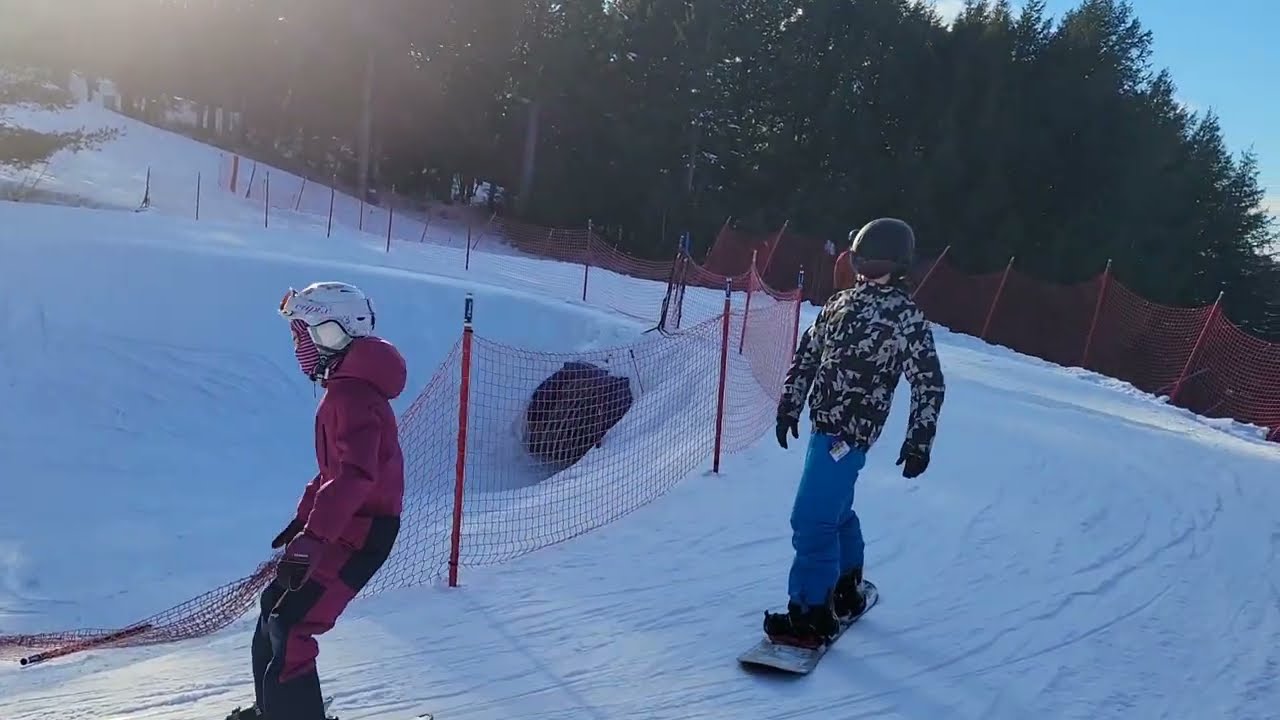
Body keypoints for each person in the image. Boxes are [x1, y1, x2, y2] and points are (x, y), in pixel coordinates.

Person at [763, 218, 946, 647]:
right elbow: (809, 353)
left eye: (873, 259)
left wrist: (919, 440)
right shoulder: (841, 302)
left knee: (811, 519)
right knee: (835, 510)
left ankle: (810, 614)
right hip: (824, 424)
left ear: (896, 263)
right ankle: (846, 582)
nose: (865, 266)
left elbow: (928, 381)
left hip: (850, 433)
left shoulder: (906, 316)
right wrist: (790, 404)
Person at [231, 281, 407, 720]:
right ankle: (273, 710)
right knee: (273, 609)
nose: (300, 347)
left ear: (332, 333)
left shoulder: (354, 396)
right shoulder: (344, 388)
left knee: (292, 627)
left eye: (303, 335)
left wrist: (314, 538)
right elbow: (333, 472)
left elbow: (354, 475)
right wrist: (306, 517)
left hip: (363, 534)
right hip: (342, 526)